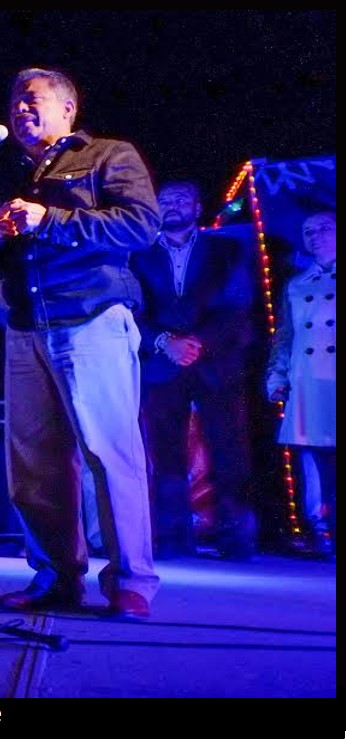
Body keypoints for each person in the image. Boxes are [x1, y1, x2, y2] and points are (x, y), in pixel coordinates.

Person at [0, 67, 161, 619]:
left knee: (110, 453)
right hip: (26, 328)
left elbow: (140, 226)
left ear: (68, 108)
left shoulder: (109, 154)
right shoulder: (17, 176)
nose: (19, 109)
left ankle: (131, 582)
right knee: (34, 465)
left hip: (90, 319)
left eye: (31, 99)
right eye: (14, 101)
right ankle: (56, 577)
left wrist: (51, 219)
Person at [131, 180, 259, 560]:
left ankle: (235, 538)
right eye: (164, 200)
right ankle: (174, 538)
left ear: (197, 206)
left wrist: (197, 343)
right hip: (161, 364)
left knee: (229, 449)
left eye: (180, 199)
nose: (171, 205)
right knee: (165, 453)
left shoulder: (227, 249)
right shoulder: (136, 255)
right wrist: (163, 342)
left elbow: (238, 305)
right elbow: (129, 309)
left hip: (217, 362)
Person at [266, 210, 336, 559]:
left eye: (324, 228)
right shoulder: (297, 283)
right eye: (308, 231)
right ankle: (320, 529)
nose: (315, 236)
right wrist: (276, 376)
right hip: (307, 379)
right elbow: (286, 335)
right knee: (311, 459)